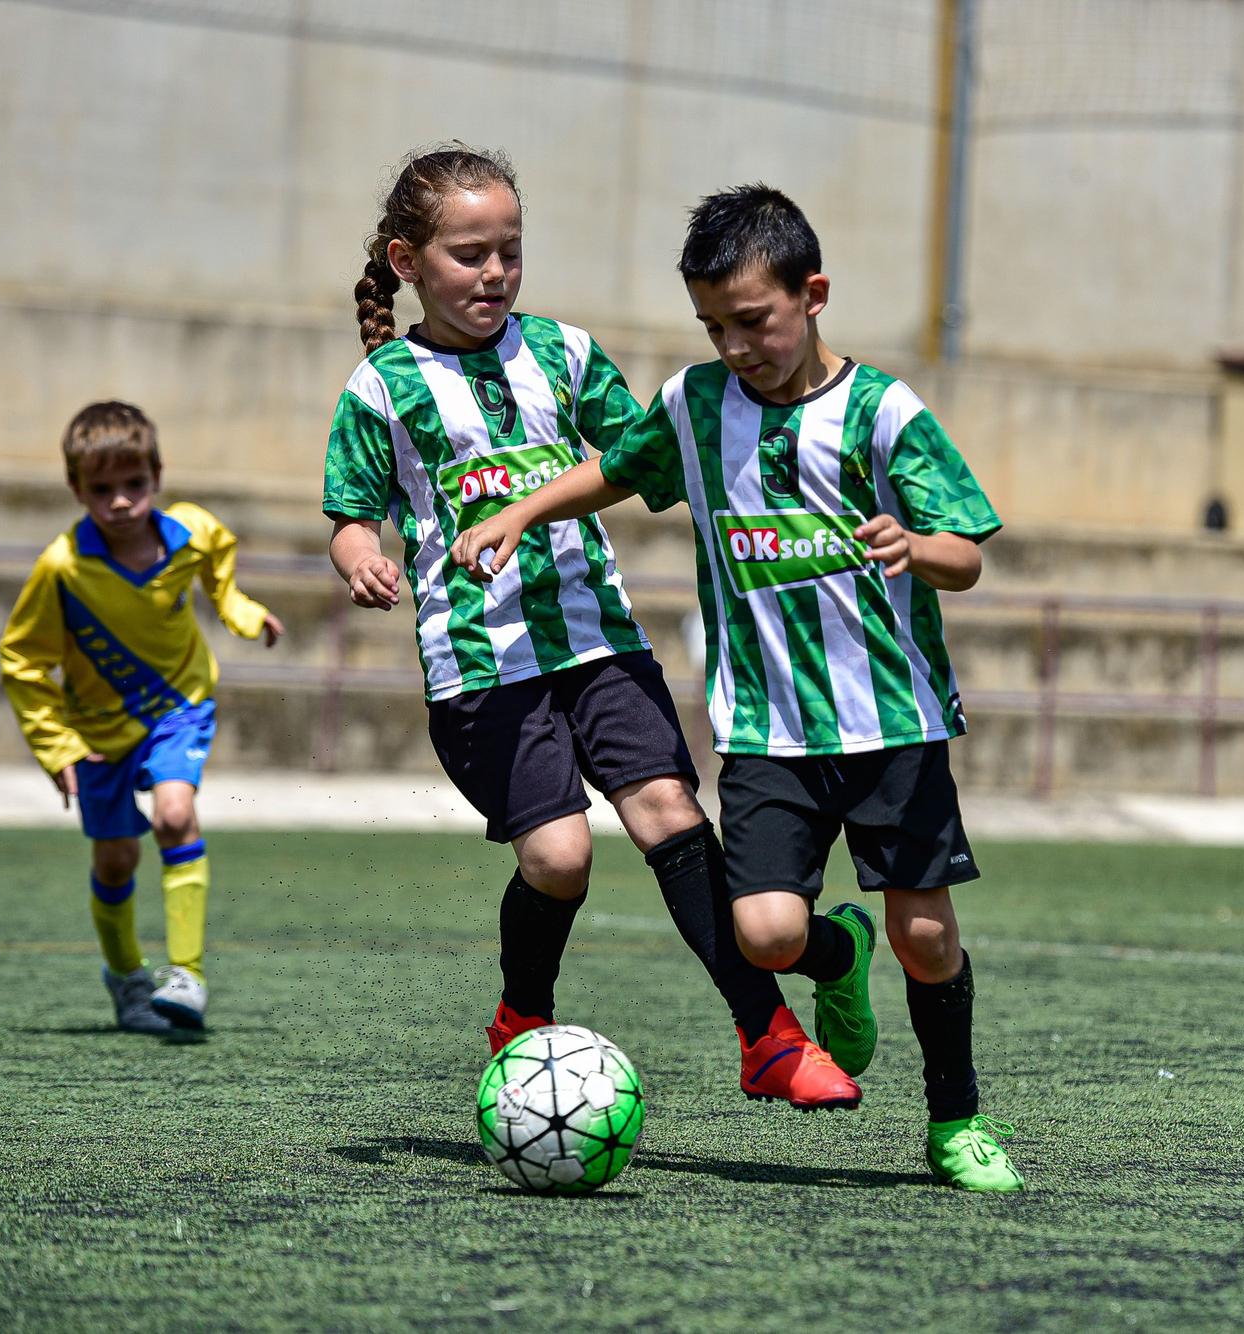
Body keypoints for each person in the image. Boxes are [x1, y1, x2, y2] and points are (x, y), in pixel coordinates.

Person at [451, 184, 1024, 1190]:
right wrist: (522, 515)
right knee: (764, 933)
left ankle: (954, 1120)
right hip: (765, 727)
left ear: (813, 295)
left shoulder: (882, 412)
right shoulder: (693, 402)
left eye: (751, 321)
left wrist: (915, 546)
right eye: (713, 325)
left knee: (926, 936)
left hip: (891, 721)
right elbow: (615, 471)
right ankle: (836, 955)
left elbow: (967, 555)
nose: (734, 345)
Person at [323, 146, 858, 1110]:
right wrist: (362, 554)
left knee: (668, 814)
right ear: (408, 264)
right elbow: (353, 511)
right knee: (559, 857)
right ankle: (522, 1016)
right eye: (469, 255)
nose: (494, 274)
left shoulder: (563, 353)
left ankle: (767, 1035)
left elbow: (641, 456)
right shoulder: (381, 390)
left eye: (510, 253)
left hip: (597, 640)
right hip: (482, 666)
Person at [0, 400, 284, 1036]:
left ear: (157, 476)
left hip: (178, 707)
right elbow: (21, 660)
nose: (121, 501)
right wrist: (58, 748)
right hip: (97, 735)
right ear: (77, 489)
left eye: (134, 484)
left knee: (176, 813)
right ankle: (127, 978)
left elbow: (220, 577)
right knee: (116, 861)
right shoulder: (62, 568)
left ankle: (187, 975)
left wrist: (242, 614)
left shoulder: (193, 532)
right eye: (101, 489)